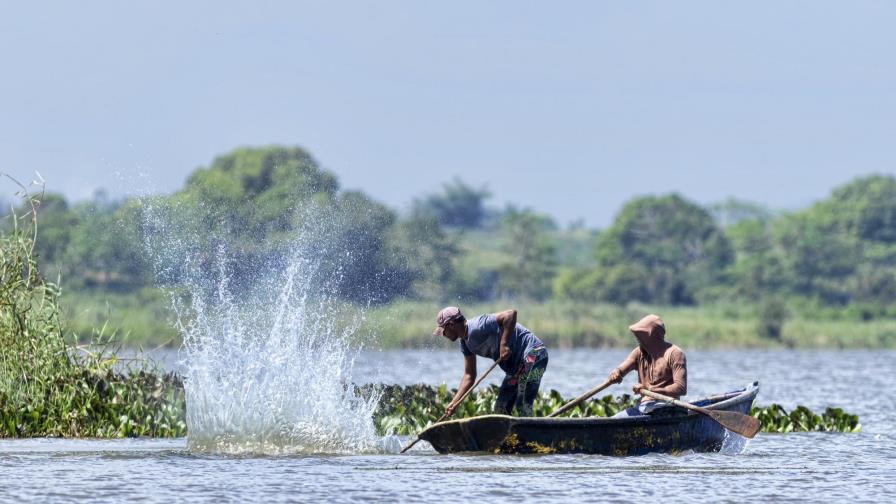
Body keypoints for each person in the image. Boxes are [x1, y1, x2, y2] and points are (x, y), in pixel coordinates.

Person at [434, 306, 548, 417]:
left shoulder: (479, 325)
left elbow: (510, 314)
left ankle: (529, 434)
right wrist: (455, 402)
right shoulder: (465, 344)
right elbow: (469, 375)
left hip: (534, 353)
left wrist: (504, 344)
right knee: (500, 408)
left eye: (444, 331)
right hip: (516, 367)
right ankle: (508, 435)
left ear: (451, 325)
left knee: (522, 404)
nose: (444, 335)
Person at [607, 314, 687, 417]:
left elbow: (680, 388)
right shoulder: (639, 352)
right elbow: (622, 369)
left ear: (651, 337)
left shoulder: (675, 354)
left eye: (641, 336)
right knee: (615, 419)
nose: (637, 339)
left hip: (667, 407)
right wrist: (616, 373)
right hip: (643, 407)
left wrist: (650, 389)